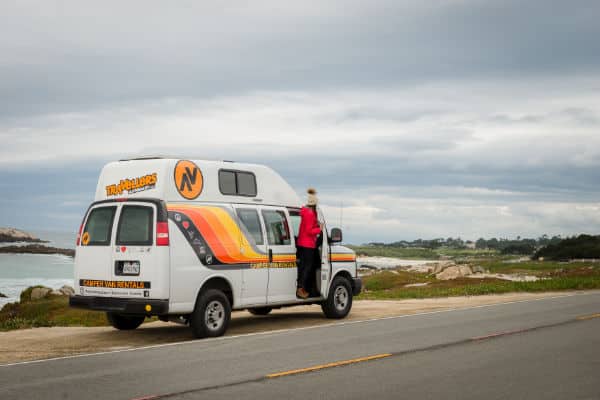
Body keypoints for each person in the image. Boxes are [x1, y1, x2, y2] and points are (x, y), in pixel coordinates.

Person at [296, 188, 322, 299]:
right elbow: (309, 231)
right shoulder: (311, 214)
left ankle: (300, 287)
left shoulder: (304, 211)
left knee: (302, 266)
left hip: (301, 243)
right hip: (308, 245)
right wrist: (319, 229)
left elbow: (305, 228)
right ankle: (302, 289)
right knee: (308, 267)